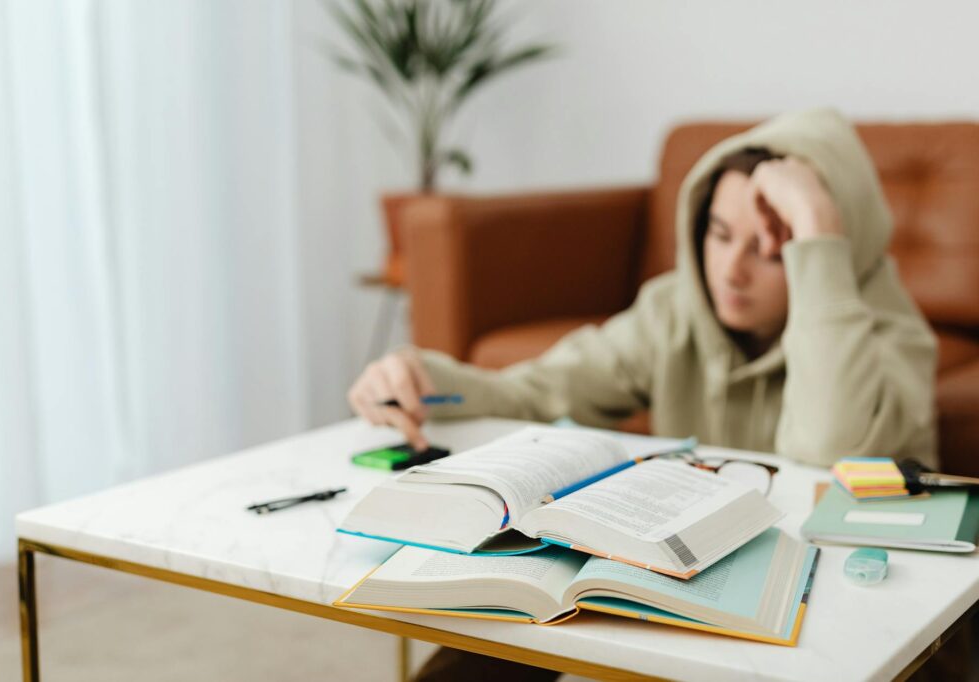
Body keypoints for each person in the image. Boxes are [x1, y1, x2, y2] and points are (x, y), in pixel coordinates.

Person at [346, 109, 939, 680]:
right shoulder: (674, 311)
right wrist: (422, 376)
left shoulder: (893, 338)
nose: (731, 270)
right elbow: (538, 389)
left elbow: (829, 449)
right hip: (687, 576)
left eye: (770, 247)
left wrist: (814, 224)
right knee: (508, 610)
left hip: (837, 613)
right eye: (720, 233)